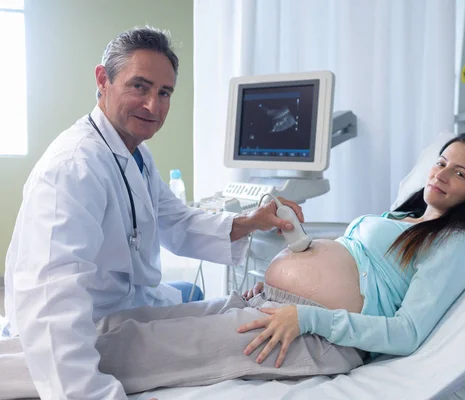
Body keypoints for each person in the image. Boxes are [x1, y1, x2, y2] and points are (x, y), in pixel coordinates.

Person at [59, 131, 465, 394]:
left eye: (459, 173)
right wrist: (281, 286)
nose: (441, 174)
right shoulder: (400, 218)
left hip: (315, 336)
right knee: (121, 323)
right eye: (442, 162)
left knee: (131, 349)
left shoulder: (453, 244)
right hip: (275, 309)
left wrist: (306, 316)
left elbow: (406, 333)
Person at [0, 26, 304, 399]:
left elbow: (175, 219)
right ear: (102, 79)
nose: (153, 106)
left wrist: (249, 223)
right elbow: (49, 304)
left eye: (164, 93)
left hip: (125, 303)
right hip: (91, 322)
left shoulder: (135, 154)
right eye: (139, 87)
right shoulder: (73, 168)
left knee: (197, 294)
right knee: (218, 318)